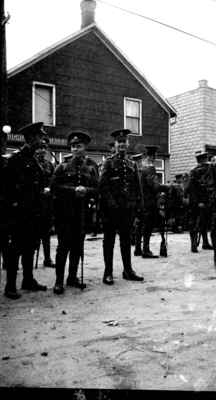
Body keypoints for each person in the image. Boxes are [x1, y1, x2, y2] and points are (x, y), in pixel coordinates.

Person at [51, 129, 99, 294]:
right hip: (65, 213)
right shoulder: (62, 167)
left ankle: (72, 277)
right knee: (63, 247)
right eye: (72, 147)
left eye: (78, 146)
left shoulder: (91, 168)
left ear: (84, 147)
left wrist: (86, 190)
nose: (75, 149)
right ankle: (58, 281)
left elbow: (97, 189)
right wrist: (73, 190)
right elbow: (54, 187)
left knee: (78, 246)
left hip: (82, 213)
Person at [4, 122, 48, 299]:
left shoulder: (34, 159)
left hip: (33, 213)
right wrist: (13, 210)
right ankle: (10, 286)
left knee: (30, 247)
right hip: (19, 214)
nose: (42, 140)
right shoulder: (16, 159)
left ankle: (28, 280)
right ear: (30, 138)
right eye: (39, 137)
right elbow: (6, 189)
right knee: (15, 249)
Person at [99, 128, 144, 285]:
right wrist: (112, 204)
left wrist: (138, 206)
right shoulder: (108, 163)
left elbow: (137, 188)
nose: (122, 145)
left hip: (127, 210)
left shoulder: (132, 164)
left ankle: (128, 270)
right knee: (109, 241)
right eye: (119, 142)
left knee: (126, 240)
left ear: (128, 143)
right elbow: (103, 186)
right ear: (115, 144)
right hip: (111, 210)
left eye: (124, 142)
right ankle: (108, 272)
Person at [185, 150, 212, 253]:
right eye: (205, 159)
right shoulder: (195, 172)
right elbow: (191, 189)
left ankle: (205, 243)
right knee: (194, 223)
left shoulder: (205, 170)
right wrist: (199, 202)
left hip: (205, 200)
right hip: (196, 202)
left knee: (204, 222)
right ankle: (193, 245)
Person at [34, 140, 55, 268]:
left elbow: (53, 181)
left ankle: (47, 259)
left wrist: (50, 189)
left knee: (46, 233)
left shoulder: (49, 165)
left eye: (43, 148)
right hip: (34, 203)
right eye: (39, 148)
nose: (41, 150)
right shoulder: (31, 163)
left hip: (46, 204)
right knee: (33, 233)